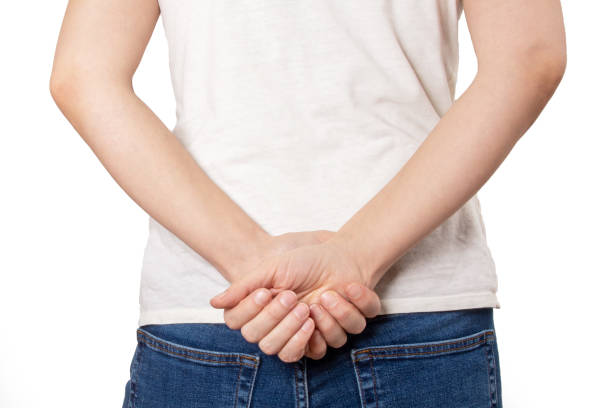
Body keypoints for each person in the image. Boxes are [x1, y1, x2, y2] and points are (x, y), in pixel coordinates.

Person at [49, 0, 566, 406]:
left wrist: (252, 265)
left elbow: (85, 75)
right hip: (414, 310)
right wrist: (354, 258)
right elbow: (528, 55)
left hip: (218, 302)